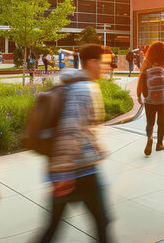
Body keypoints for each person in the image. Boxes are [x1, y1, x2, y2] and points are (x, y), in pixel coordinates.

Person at [41, 44, 111, 242]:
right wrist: (64, 173)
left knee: (52, 228)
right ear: (90, 62)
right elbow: (71, 130)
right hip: (81, 171)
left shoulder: (74, 84)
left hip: (70, 169)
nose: (104, 68)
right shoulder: (83, 88)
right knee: (102, 223)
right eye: (102, 63)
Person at [137, 41, 164, 156]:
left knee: (150, 122)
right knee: (161, 122)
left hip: (149, 98)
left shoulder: (146, 64)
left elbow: (141, 81)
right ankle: (159, 144)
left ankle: (149, 137)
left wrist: (139, 95)